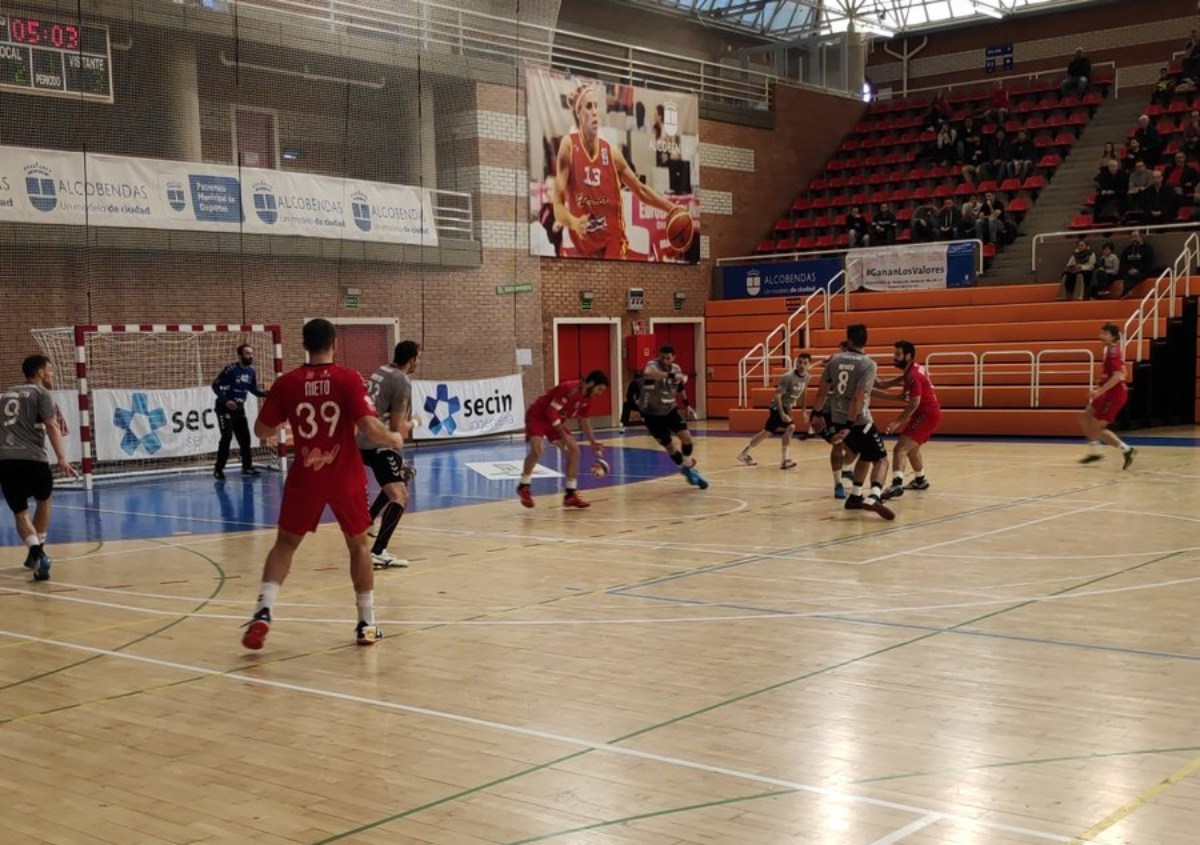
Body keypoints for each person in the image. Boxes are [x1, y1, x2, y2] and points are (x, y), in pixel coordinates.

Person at [240, 319, 405, 650]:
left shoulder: (287, 383)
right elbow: (369, 428)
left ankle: (263, 611)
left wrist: (283, 426)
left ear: (304, 345)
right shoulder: (348, 379)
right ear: (334, 343)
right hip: (343, 474)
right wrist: (394, 437)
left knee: (285, 544)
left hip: (306, 474)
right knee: (358, 545)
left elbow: (260, 430)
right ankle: (366, 623)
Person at [553, 82, 686, 259]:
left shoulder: (612, 153)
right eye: (588, 106)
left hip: (611, 240)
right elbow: (558, 206)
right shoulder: (568, 146)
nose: (594, 111)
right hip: (583, 242)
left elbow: (640, 189)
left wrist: (671, 207)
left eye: (596, 106)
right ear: (578, 113)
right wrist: (574, 222)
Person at [0, 355, 78, 582]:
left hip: (6, 459)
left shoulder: (5, 395)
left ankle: (36, 553)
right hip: (34, 458)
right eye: (50, 370)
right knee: (44, 500)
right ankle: (38, 552)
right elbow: (52, 425)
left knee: (20, 511)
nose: (52, 374)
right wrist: (62, 458)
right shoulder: (42, 394)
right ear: (40, 372)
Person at [813, 325, 893, 520]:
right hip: (857, 420)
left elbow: (822, 390)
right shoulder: (868, 364)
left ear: (848, 339)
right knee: (881, 459)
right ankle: (874, 496)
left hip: (837, 418)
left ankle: (855, 497)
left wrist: (816, 414)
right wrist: (850, 424)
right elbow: (858, 396)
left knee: (865, 455)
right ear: (866, 341)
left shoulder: (834, 360)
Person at [360, 340, 420, 570]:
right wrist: (415, 421)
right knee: (400, 496)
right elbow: (396, 428)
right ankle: (378, 551)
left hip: (362, 438)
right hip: (378, 443)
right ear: (412, 359)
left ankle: (369, 520)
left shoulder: (381, 370)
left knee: (404, 474)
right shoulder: (402, 381)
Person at [517, 371, 608, 508]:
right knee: (537, 450)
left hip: (555, 421)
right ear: (591, 383)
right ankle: (524, 486)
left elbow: (584, 421)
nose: (600, 393)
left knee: (574, 451)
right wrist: (564, 437)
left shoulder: (587, 399)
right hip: (538, 416)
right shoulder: (569, 388)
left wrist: (592, 442)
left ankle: (570, 494)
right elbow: (550, 412)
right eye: (599, 389)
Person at [878, 341, 941, 499]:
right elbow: (889, 383)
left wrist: (897, 421)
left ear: (908, 356)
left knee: (900, 449)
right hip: (930, 414)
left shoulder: (912, 375)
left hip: (925, 414)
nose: (894, 357)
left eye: (898, 354)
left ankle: (897, 484)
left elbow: (915, 401)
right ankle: (920, 480)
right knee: (912, 448)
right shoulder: (912, 370)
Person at [640, 345, 708, 489]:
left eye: (668, 358)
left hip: (670, 410)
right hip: (652, 415)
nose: (665, 360)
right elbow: (650, 373)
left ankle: (687, 466)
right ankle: (687, 469)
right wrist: (672, 376)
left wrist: (687, 404)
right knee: (670, 446)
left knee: (687, 438)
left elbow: (680, 388)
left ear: (674, 357)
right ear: (659, 356)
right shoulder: (652, 366)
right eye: (662, 357)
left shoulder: (676, 368)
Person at [737, 354, 811, 470]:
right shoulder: (788, 377)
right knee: (791, 427)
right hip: (777, 406)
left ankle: (744, 454)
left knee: (766, 433)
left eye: (805, 363)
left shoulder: (807, 377)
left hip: (787, 408)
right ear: (796, 363)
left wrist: (803, 411)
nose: (802, 365)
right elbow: (777, 396)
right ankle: (784, 460)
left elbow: (804, 392)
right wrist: (782, 413)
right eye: (800, 362)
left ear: (809, 365)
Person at [1078, 323, 1135, 469]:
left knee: (1098, 428)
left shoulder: (1113, 352)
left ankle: (1127, 449)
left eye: (1105, 334)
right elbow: (1114, 373)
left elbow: (1117, 376)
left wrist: (1099, 391)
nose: (1101, 337)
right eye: (1101, 333)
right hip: (1107, 393)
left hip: (1114, 395)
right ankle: (1096, 451)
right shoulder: (1108, 350)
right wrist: (1100, 383)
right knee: (1085, 416)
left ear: (1113, 337)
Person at [211, 343, 268, 480]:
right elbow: (215, 385)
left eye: (252, 353)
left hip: (239, 409)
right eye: (247, 353)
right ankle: (218, 469)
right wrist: (226, 401)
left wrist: (265, 394)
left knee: (245, 439)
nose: (250, 356)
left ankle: (247, 467)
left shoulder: (251, 371)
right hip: (224, 408)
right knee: (227, 436)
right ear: (240, 355)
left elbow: (253, 390)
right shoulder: (230, 369)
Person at [1119, 229, 1155, 299]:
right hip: (1129, 272)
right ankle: (1126, 291)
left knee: (1135, 276)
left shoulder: (1147, 248)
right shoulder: (1127, 249)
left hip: (1142, 271)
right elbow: (1123, 263)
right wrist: (1128, 270)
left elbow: (1149, 263)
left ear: (1140, 237)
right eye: (1132, 237)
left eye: (1135, 237)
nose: (1134, 239)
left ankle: (1126, 291)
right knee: (1127, 275)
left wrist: (1138, 270)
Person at [619, 369, 643, 434]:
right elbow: (629, 396)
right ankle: (624, 425)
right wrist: (635, 401)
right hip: (638, 403)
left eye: (639, 380)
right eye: (636, 380)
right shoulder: (633, 384)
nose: (638, 381)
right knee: (626, 405)